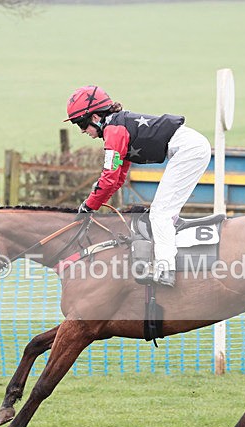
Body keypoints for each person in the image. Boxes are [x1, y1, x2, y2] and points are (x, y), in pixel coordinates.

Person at [65, 85, 211, 287]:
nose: (82, 130)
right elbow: (116, 179)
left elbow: (108, 178)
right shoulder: (117, 127)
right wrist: (92, 204)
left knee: (160, 214)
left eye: (81, 123)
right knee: (162, 211)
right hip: (190, 148)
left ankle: (165, 270)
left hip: (189, 150)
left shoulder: (114, 132)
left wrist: (88, 206)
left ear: (96, 117)